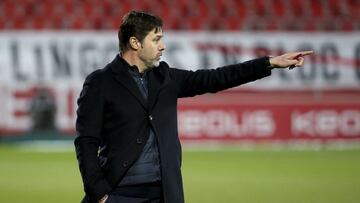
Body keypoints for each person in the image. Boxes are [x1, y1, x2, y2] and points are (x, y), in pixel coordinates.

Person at [74, 10, 313, 203]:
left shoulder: (165, 77)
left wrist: (270, 63)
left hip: (165, 194)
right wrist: (100, 194)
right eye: (156, 39)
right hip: (120, 194)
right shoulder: (100, 82)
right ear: (135, 43)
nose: (162, 46)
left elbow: (217, 77)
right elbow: (86, 142)